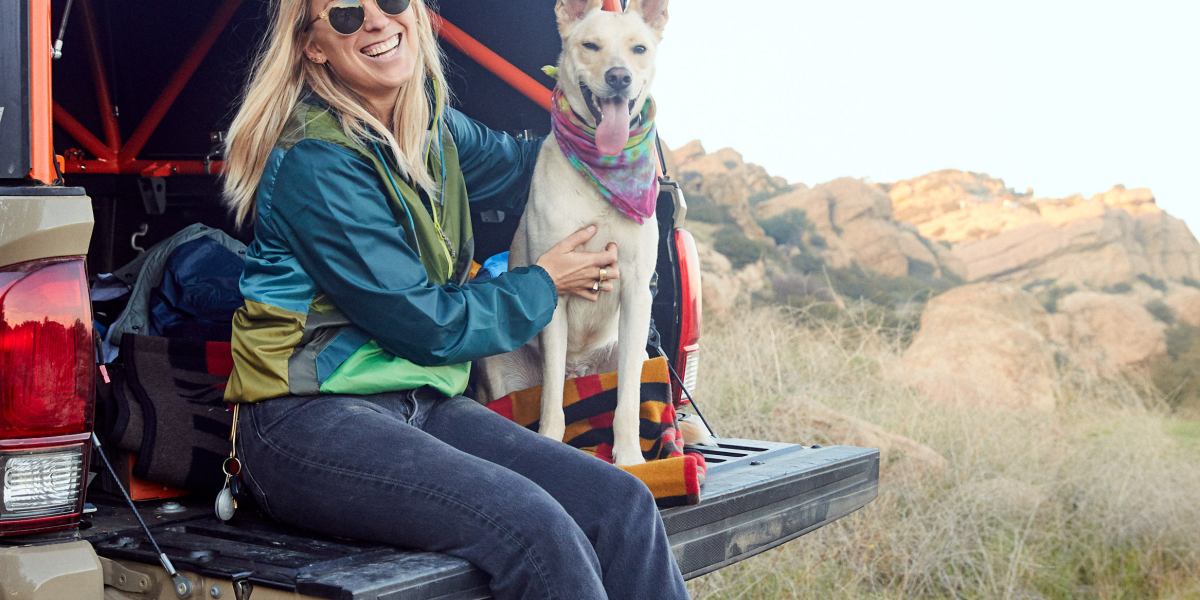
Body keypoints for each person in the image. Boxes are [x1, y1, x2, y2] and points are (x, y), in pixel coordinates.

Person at [219, 0, 690, 598]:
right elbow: (423, 323)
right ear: (313, 46)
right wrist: (545, 282)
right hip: (308, 418)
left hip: (424, 400)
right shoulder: (317, 160)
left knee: (621, 502)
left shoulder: (431, 124)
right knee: (537, 528)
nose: (376, 20)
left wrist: (612, 148)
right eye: (343, 15)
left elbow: (528, 164)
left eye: (389, 2)